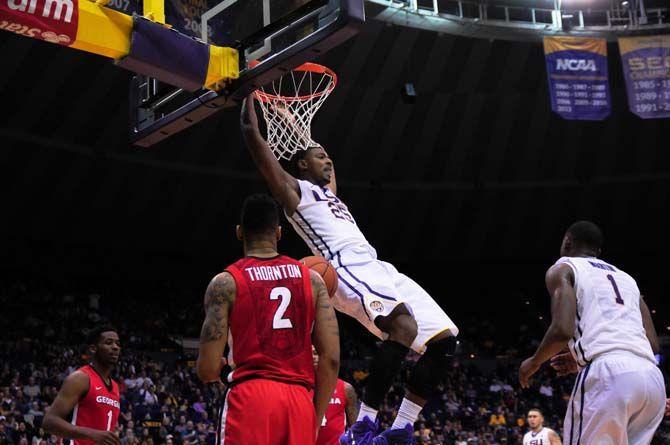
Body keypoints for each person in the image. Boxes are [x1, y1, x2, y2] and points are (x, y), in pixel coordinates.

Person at [241, 94, 459, 445]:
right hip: (345, 268)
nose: (327, 159)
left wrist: (293, 121)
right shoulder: (295, 194)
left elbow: (324, 159)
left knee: (446, 342)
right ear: (301, 166)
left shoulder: (330, 194)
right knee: (403, 326)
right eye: (319, 157)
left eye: (327, 156)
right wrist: (248, 100)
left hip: (377, 267)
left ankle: (402, 427)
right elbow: (254, 137)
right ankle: (365, 425)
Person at [195, 193, 340, 445]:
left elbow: (207, 369)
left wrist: (218, 369)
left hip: (251, 398)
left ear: (239, 232)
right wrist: (314, 419)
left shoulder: (225, 283)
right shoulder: (313, 281)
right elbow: (331, 359)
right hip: (299, 403)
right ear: (279, 232)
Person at [519, 221, 666, 445]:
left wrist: (534, 362)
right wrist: (581, 358)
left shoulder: (564, 268)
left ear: (567, 241)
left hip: (609, 375)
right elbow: (652, 344)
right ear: (598, 251)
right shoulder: (627, 279)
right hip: (652, 379)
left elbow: (561, 331)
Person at [43, 326, 122, 445]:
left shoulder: (115, 386)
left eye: (117, 343)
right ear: (93, 349)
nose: (115, 347)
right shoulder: (80, 378)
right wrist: (93, 434)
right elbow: (49, 422)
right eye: (109, 343)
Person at [311, 347, 359, 445]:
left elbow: (355, 428)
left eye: (316, 353)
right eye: (310, 354)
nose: (313, 357)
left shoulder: (346, 388)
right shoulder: (299, 389)